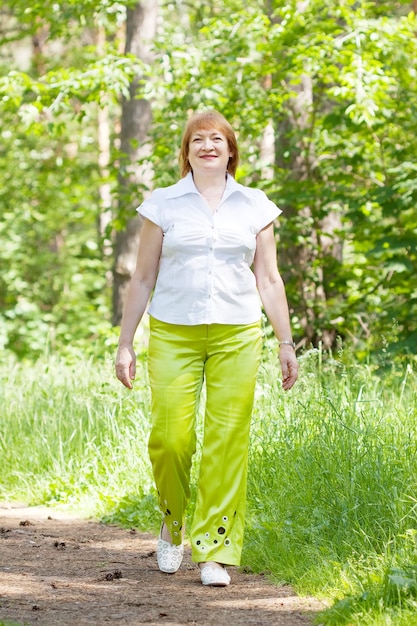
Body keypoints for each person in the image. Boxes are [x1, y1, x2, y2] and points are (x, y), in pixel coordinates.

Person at [115, 110, 298, 587]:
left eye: (217, 138)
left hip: (237, 333)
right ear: (187, 151)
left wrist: (286, 342)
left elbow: (269, 278)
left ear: (231, 150)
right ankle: (172, 524)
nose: (208, 146)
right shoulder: (164, 204)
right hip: (174, 331)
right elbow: (142, 277)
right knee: (171, 439)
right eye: (198, 139)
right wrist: (124, 343)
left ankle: (214, 549)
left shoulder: (255, 206)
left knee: (226, 442)